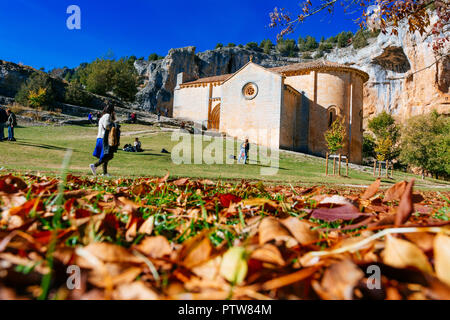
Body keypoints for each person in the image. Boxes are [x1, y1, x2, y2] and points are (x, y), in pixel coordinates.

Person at [90, 105, 118, 177]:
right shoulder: (107, 116)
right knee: (109, 155)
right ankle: (95, 165)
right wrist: (114, 125)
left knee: (105, 156)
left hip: (100, 138)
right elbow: (107, 126)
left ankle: (105, 173)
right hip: (104, 138)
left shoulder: (103, 116)